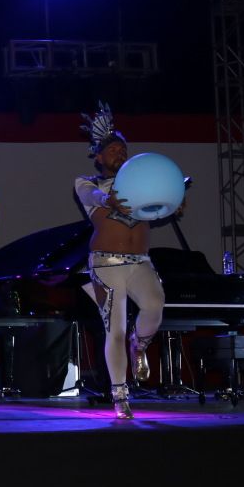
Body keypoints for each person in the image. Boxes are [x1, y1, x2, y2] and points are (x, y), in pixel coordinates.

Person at [75, 102, 169, 419]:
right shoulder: (87, 183)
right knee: (114, 328)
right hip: (106, 264)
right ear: (99, 157)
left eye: (123, 149)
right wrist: (108, 198)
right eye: (113, 149)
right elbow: (92, 197)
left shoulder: (140, 186)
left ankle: (138, 345)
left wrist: (171, 202)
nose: (120, 153)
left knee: (155, 305)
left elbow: (157, 208)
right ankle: (120, 395)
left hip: (140, 261)